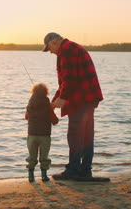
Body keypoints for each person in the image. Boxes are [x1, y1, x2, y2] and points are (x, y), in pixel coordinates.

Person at [42, 32, 103, 180]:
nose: (50, 52)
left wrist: (62, 99)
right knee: (86, 136)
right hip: (88, 98)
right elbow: (66, 82)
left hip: (81, 99)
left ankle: (74, 171)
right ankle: (85, 171)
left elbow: (69, 79)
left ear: (55, 42)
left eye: (49, 48)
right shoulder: (72, 48)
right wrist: (55, 100)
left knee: (75, 135)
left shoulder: (67, 50)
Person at [24, 82, 59, 182]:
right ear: (46, 92)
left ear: (33, 92)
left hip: (32, 135)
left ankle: (31, 176)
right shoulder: (47, 105)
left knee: (32, 156)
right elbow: (55, 121)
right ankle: (44, 176)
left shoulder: (30, 104)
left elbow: (26, 117)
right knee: (44, 157)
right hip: (45, 135)